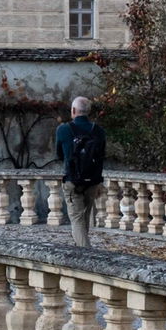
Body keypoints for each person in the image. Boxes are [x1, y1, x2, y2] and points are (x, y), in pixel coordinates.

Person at [54, 96, 107, 247]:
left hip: (73, 180)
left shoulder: (63, 130)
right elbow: (102, 155)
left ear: (73, 111)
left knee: (76, 219)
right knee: (85, 216)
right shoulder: (99, 131)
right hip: (93, 181)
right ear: (88, 112)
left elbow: (59, 155)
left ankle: (87, 255)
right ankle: (81, 247)